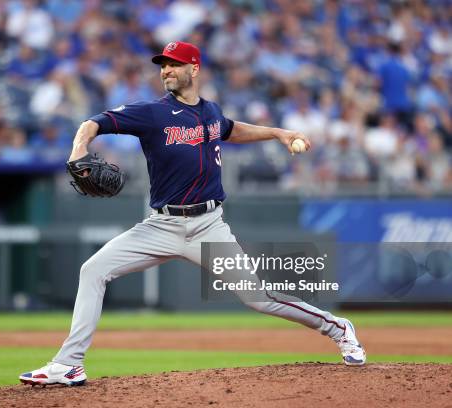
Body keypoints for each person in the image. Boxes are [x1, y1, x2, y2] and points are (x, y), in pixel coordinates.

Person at [19, 41, 366, 387]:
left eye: (174, 64)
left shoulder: (210, 112)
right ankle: (69, 365)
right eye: (163, 65)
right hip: (161, 225)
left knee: (260, 298)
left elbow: (230, 129)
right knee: (93, 270)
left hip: (208, 228)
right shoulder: (152, 113)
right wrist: (80, 147)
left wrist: (278, 133)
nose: (166, 70)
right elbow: (94, 122)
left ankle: (339, 327)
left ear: (194, 69)